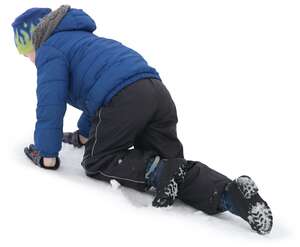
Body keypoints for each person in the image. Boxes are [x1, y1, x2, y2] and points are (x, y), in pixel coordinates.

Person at [12, 5, 273, 234]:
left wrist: (46, 154)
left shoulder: (50, 49)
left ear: (35, 37)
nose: (26, 57)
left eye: (24, 48)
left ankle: (158, 171)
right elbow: (96, 93)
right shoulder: (85, 41)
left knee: (97, 160)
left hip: (124, 100)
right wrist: (83, 134)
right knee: (175, 169)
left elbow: (50, 102)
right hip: (155, 94)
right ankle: (231, 195)